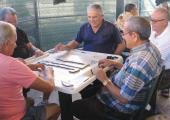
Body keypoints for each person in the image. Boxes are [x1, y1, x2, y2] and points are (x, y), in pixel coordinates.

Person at [71, 16, 162, 120]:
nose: (122, 36)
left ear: (134, 36)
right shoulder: (151, 48)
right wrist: (115, 64)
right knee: (87, 90)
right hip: (129, 98)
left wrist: (105, 80)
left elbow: (124, 98)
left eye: (124, 33)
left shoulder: (139, 62)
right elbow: (136, 74)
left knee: (72, 106)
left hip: (118, 109)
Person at [55, 3, 125, 98]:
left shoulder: (111, 28)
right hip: (86, 63)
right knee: (79, 84)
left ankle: (94, 101)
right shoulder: (84, 27)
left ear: (101, 16)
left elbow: (122, 44)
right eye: (89, 17)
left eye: (95, 17)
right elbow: (76, 42)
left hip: (103, 64)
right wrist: (66, 47)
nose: (92, 20)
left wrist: (113, 60)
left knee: (97, 87)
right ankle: (88, 99)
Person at [0, 21, 60, 120]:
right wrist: (49, 73)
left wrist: (29, 66)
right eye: (14, 42)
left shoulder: (9, 63)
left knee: (30, 100)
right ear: (6, 44)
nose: (15, 45)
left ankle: (41, 106)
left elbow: (6, 71)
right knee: (55, 107)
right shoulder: (11, 65)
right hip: (14, 117)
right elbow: (48, 87)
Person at [150, 8, 170, 98]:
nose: (151, 23)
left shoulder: (168, 38)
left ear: (165, 22)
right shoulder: (155, 28)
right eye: (151, 20)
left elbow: (154, 59)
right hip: (154, 64)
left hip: (164, 73)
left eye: (155, 21)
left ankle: (147, 106)